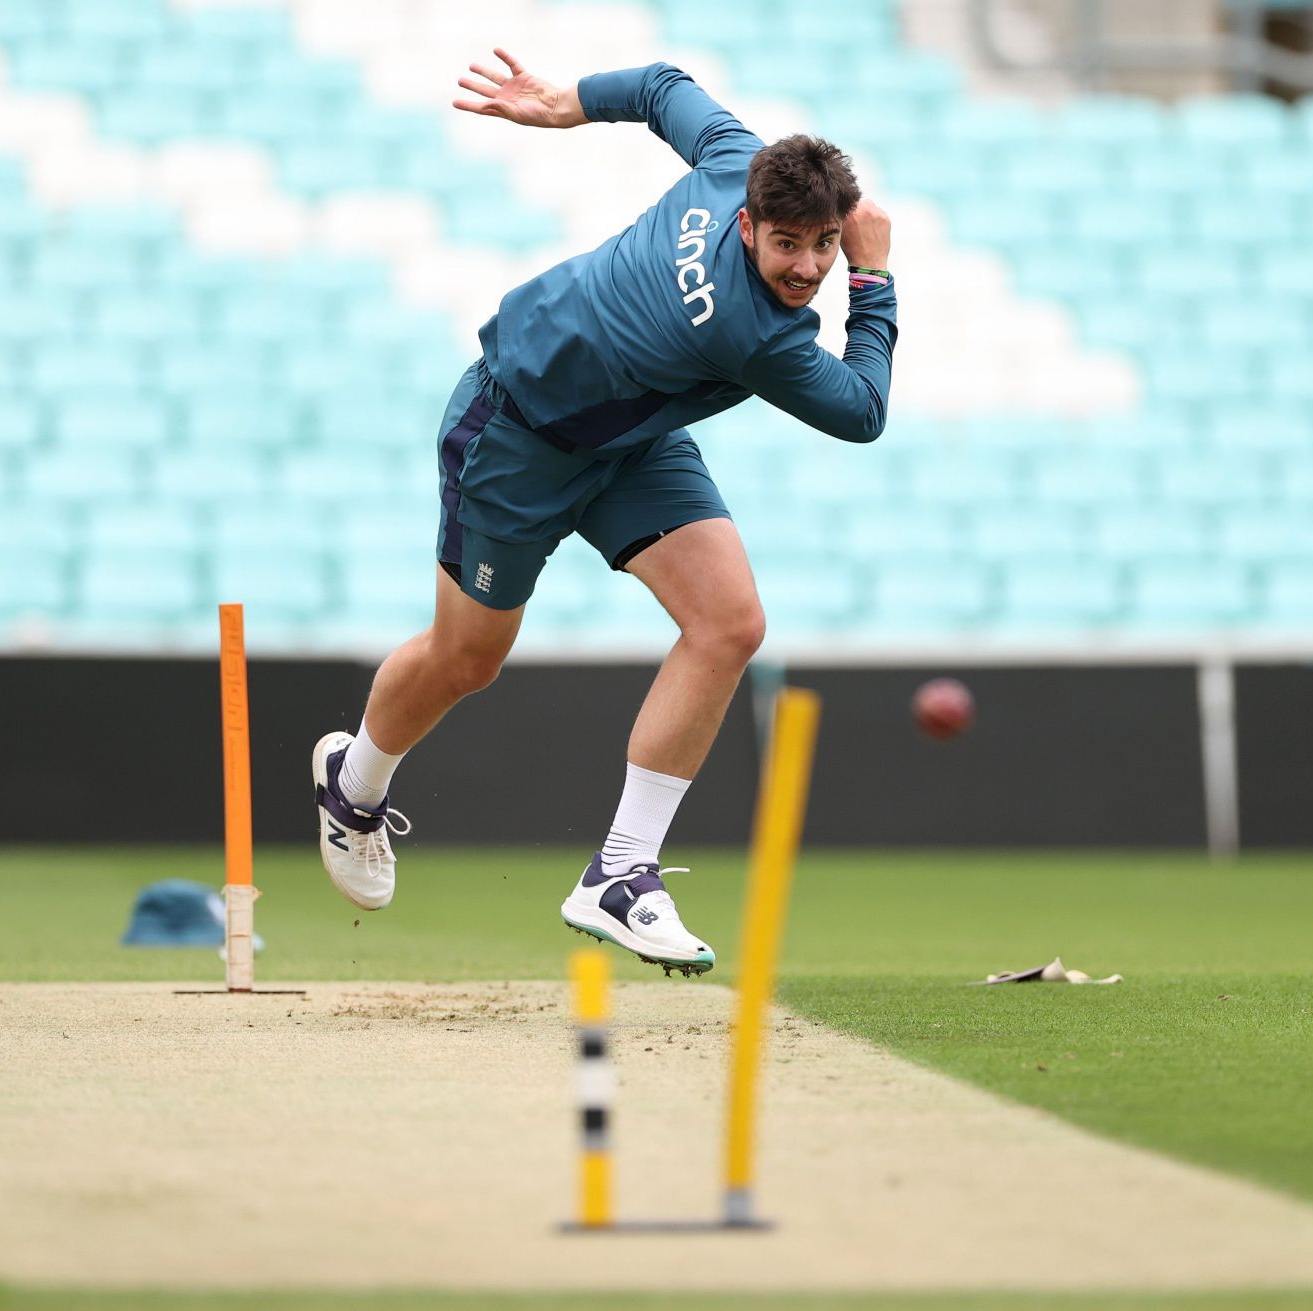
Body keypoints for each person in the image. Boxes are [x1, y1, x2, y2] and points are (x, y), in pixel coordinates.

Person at [311, 51, 897, 976]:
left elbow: (663, 86)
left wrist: (569, 105)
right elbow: (863, 411)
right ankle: (354, 785)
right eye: (789, 244)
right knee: (468, 661)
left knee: (730, 623)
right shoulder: (756, 334)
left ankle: (620, 874)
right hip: (515, 431)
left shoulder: (728, 160)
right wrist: (872, 276)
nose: (809, 266)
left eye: (826, 244)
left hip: (629, 437)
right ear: (749, 225)